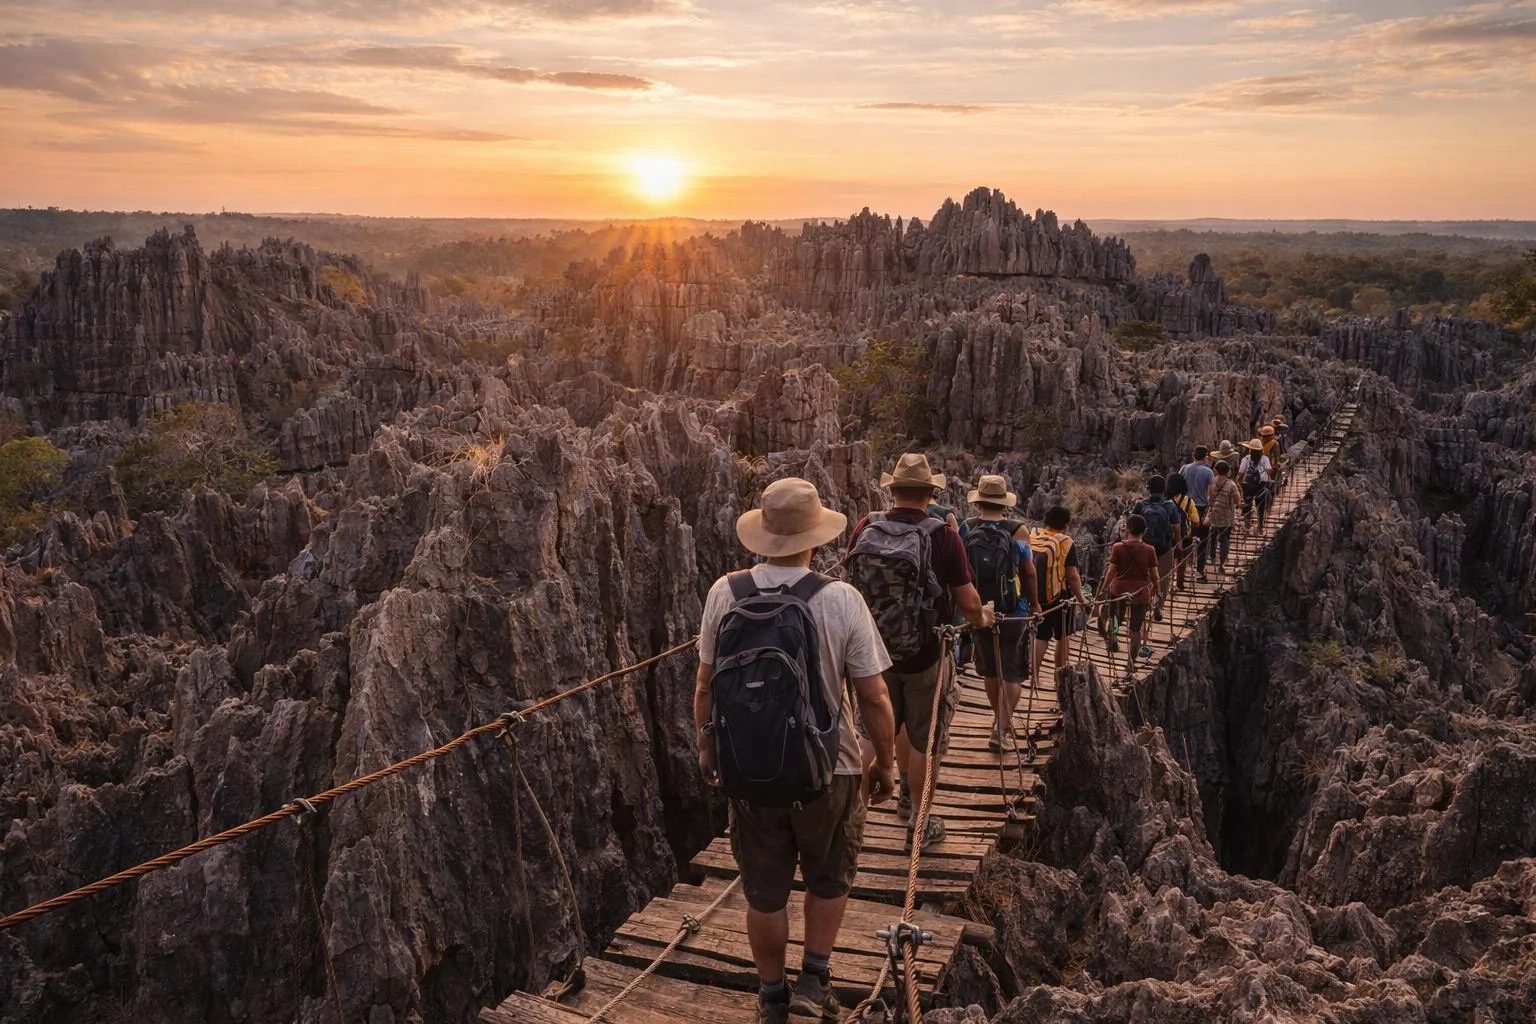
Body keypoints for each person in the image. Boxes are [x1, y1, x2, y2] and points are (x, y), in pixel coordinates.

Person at [695, 478, 898, 1024]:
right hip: (831, 770)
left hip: (749, 770)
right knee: (829, 876)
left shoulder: (724, 593)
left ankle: (771, 997)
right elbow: (875, 698)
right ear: (815, 537)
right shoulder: (841, 599)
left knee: (764, 893)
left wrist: (708, 748)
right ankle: (814, 978)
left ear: (763, 534)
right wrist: (885, 764)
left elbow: (705, 687)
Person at [846, 453, 994, 850]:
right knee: (925, 740)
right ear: (930, 493)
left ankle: (852, 819)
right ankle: (918, 820)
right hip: (925, 655)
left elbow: (849, 583)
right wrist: (982, 619)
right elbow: (967, 602)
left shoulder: (866, 525)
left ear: (892, 490)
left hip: (872, 656)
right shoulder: (943, 535)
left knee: (866, 732)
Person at [960, 475, 1042, 753]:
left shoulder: (967, 527)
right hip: (1013, 611)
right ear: (1005, 504)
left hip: (980, 610)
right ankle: (1001, 728)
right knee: (1012, 671)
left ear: (978, 502)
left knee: (991, 670)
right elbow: (1029, 572)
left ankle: (999, 721)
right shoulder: (1018, 530)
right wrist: (1035, 604)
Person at [1030, 505, 1086, 683]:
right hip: (1060, 597)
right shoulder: (1066, 542)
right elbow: (1072, 575)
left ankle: (1034, 677)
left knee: (1041, 636)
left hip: (1038, 595)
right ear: (1066, 524)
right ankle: (1059, 678)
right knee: (1063, 636)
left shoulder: (1035, 534)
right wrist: (1081, 599)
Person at [1100, 513, 1161, 665]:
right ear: (1144, 531)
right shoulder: (1150, 550)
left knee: (1114, 619)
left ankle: (1113, 641)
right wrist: (1156, 591)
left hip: (1118, 590)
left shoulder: (1118, 547)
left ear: (1127, 528)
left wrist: (1103, 588)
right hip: (1140, 592)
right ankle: (1131, 661)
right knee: (1135, 629)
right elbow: (1155, 576)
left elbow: (1111, 571)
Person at [1132, 476, 1183, 624]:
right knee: (1164, 578)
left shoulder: (1140, 505)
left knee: (1146, 577)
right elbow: (1176, 527)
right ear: (1164, 489)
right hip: (1164, 548)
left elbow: (1132, 526)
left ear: (1148, 488)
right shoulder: (1169, 506)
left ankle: (1146, 603)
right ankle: (1158, 606)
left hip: (1144, 548)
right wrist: (1179, 545)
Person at [1180, 446, 1215, 583]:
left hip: (1185, 507)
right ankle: (1199, 573)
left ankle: (1181, 575)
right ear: (1205, 457)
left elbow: (1178, 485)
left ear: (1193, 456)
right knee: (1202, 541)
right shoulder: (1208, 472)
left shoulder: (1184, 468)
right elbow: (1212, 493)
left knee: (1185, 539)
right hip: (1200, 508)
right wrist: (1210, 509)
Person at [1165, 473, 1201, 592]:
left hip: (1168, 536)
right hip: (1184, 536)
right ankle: (1179, 583)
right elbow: (1196, 521)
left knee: (1167, 561)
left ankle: (1166, 585)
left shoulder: (1165, 501)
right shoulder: (1189, 501)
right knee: (1182, 560)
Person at [1206, 460, 1241, 573]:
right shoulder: (1231, 484)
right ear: (1228, 471)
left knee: (1212, 537)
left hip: (1213, 514)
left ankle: (1211, 557)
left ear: (1215, 470)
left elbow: (1208, 497)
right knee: (1224, 539)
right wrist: (1238, 504)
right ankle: (1222, 563)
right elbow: (1237, 500)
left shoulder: (1211, 482)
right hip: (1226, 517)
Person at [1238, 439, 1273, 531]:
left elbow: (1241, 472)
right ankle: (1260, 524)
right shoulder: (1265, 459)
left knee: (1247, 503)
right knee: (1261, 504)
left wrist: (1239, 481)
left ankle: (1247, 523)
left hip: (1248, 485)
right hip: (1261, 485)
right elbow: (1269, 471)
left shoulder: (1246, 459)